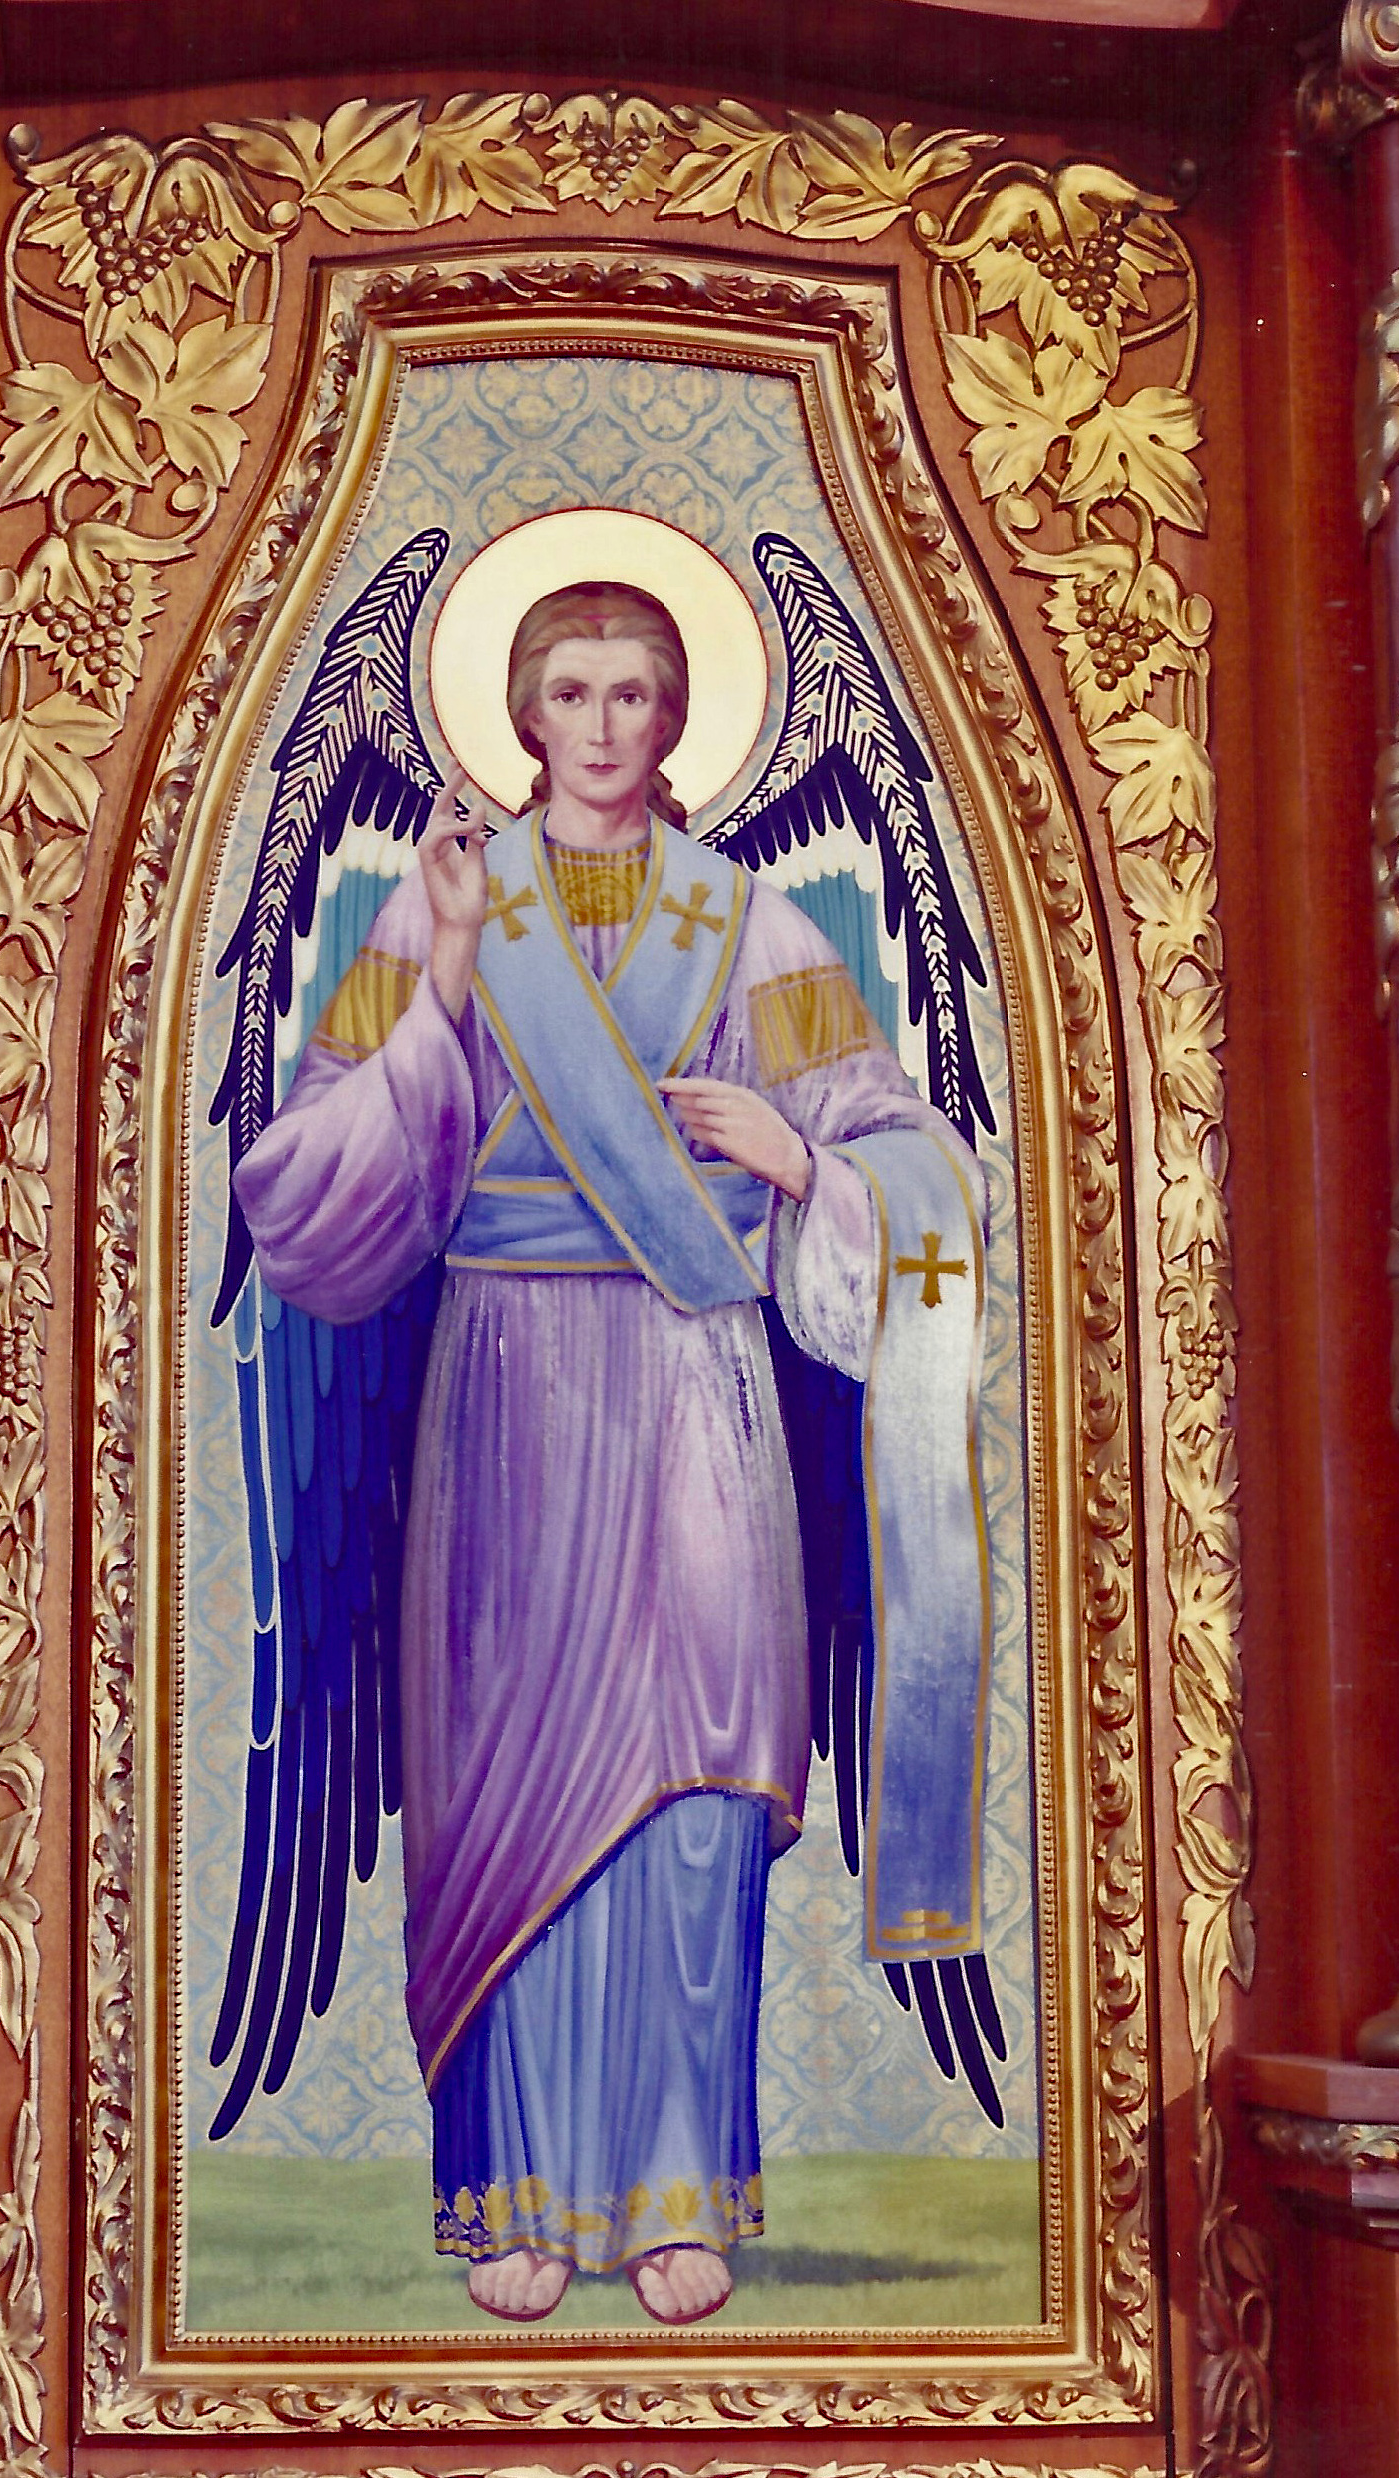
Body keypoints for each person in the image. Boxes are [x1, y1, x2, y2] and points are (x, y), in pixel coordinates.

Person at [234, 577, 986, 2326]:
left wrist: (799, 1163)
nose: (598, 724)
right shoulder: (449, 900)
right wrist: (441, 975)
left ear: (672, 717)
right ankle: (518, 2196)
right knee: (509, 1787)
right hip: (508, 1397)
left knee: (697, 1780)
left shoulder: (753, 929)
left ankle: (674, 2194)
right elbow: (306, 1188)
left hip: (696, 1383)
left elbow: (912, 1153)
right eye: (567, 690)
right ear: (521, 713)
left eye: (632, 692)